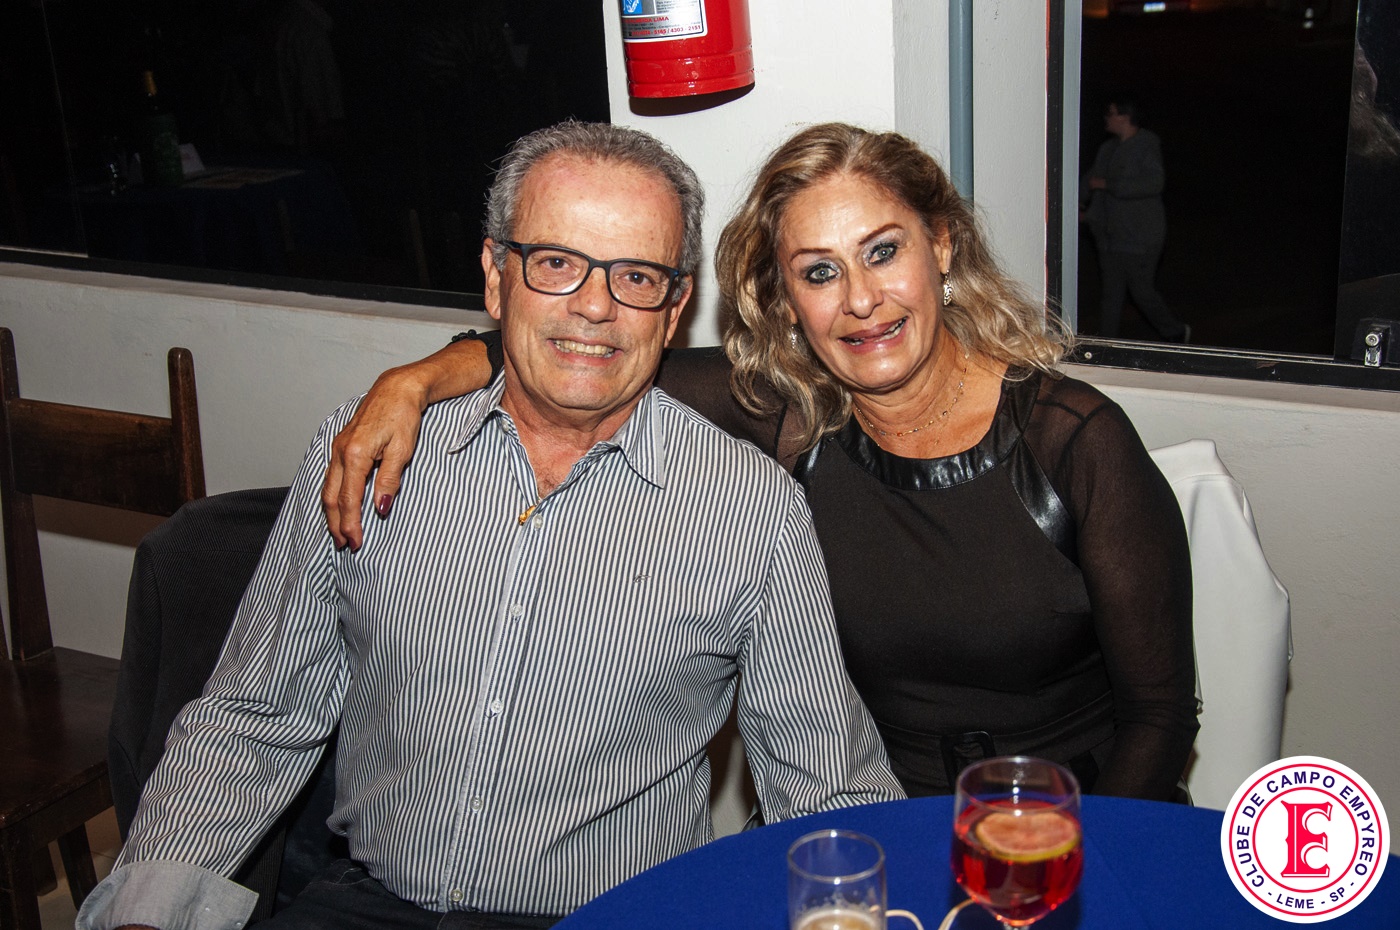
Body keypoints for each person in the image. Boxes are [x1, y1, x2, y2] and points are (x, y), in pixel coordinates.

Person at [80, 121, 903, 930]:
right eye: (556, 263)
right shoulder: (372, 454)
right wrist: (146, 916)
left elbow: (827, 785)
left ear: (674, 305)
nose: (594, 306)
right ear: (495, 277)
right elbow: (253, 719)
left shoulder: (749, 510)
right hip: (367, 902)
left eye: (636, 276)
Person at [322, 122, 1199, 803]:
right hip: (869, 823)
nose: (861, 300)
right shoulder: (790, 418)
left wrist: (1064, 863)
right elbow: (580, 353)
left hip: (1073, 822)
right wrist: (414, 381)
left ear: (940, 245)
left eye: (883, 251)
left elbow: (1159, 717)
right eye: (818, 273)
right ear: (786, 302)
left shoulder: (1075, 441)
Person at [1081, 98, 1189, 342]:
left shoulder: (1146, 145)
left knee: (1141, 292)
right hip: (1109, 236)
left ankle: (1175, 332)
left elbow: (1154, 183)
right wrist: (1078, 208)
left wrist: (1110, 185)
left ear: (1125, 116)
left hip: (1139, 237)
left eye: (1111, 113)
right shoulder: (1107, 149)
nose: (1106, 118)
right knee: (1111, 295)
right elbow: (1089, 181)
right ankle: (1107, 346)